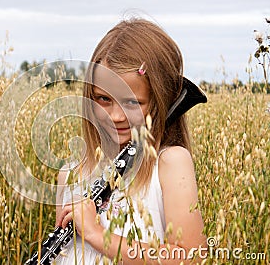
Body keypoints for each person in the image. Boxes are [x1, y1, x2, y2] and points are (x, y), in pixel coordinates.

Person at [54, 17, 207, 264]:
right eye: (103, 99)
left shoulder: (169, 163)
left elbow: (190, 257)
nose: (115, 116)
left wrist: (97, 235)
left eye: (132, 102)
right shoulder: (71, 173)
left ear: (160, 102)